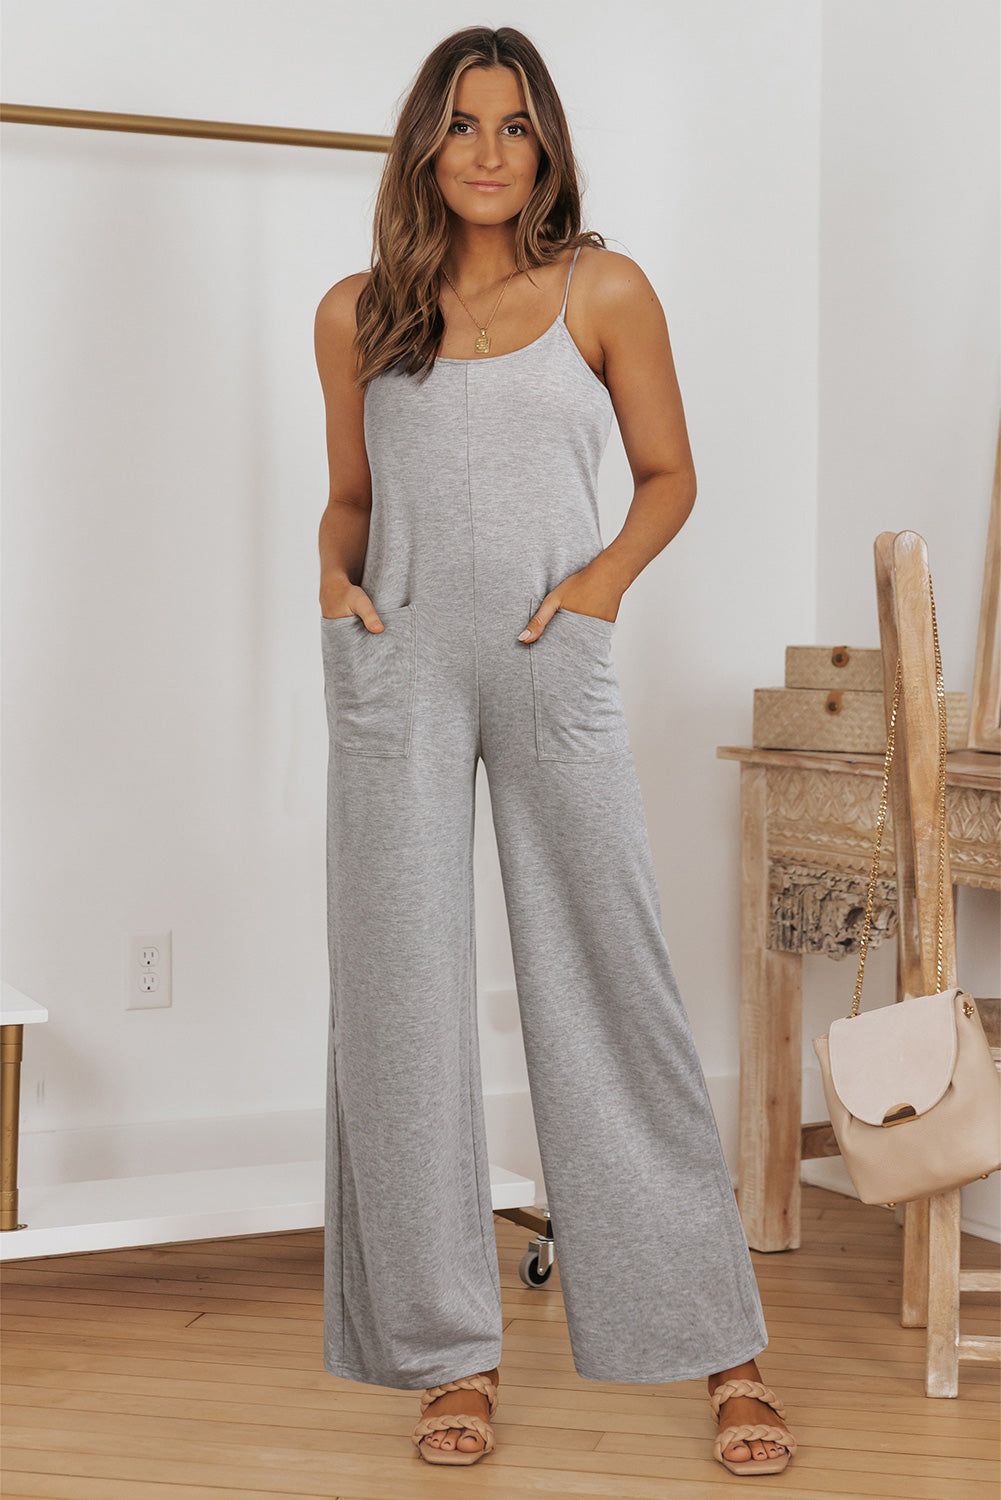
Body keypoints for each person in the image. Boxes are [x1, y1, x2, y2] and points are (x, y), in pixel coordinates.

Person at [313, 24, 798, 1479]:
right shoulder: (356, 313)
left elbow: (669, 475)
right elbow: (350, 498)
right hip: (398, 668)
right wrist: (333, 580)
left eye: (512, 125)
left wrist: (597, 589)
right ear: (424, 144)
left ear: (546, 146)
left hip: (547, 658)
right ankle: (446, 1357)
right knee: (400, 1010)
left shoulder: (605, 288)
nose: (485, 152)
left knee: (609, 986)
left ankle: (724, 1351)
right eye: (461, 124)